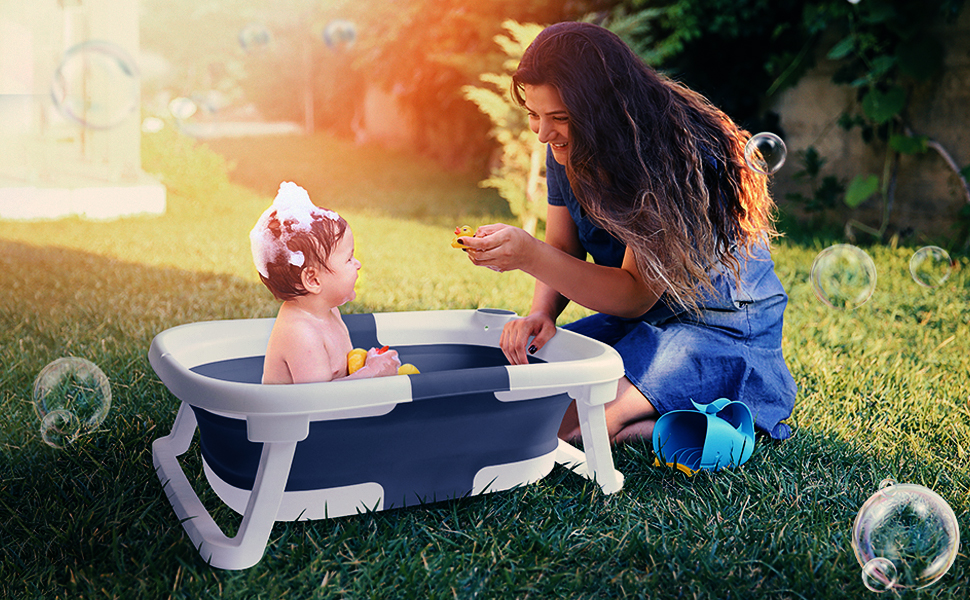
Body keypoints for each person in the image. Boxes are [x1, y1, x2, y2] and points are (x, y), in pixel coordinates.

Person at [459, 22, 796, 443]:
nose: (544, 134)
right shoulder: (565, 145)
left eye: (559, 118)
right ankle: (647, 416)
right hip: (650, 321)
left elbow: (634, 295)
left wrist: (527, 254)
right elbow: (564, 245)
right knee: (521, 393)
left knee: (566, 427)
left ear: (601, 109)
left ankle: (672, 418)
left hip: (714, 328)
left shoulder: (662, 155)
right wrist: (542, 313)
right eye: (534, 116)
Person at [250, 181, 400, 384]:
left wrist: (367, 366)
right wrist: (373, 373)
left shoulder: (329, 312)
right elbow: (319, 403)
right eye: (349, 258)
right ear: (312, 280)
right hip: (290, 416)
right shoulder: (301, 334)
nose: (358, 264)